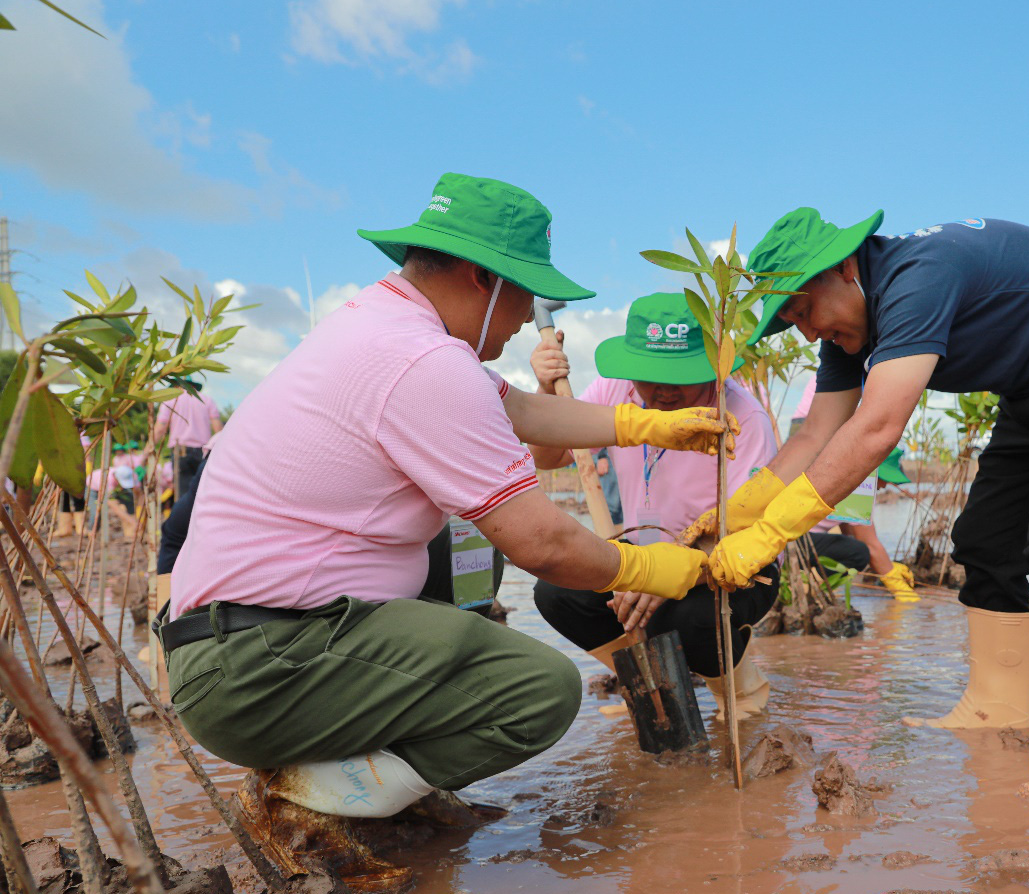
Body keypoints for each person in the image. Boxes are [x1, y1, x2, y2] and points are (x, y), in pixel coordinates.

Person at [161, 175, 729, 891]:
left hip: (238, 647)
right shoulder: (423, 361)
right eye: (524, 292)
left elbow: (519, 411)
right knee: (538, 690)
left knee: (446, 571)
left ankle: (374, 783)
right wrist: (651, 569)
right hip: (257, 666)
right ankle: (311, 803)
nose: (527, 316)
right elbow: (543, 545)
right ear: (481, 277)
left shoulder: (383, 327)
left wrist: (648, 427)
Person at [691, 209, 1029, 800]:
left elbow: (876, 429)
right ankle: (999, 709)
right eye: (791, 323)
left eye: (804, 311)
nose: (808, 333)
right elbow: (814, 436)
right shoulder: (851, 331)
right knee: (987, 542)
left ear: (845, 266)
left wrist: (771, 537)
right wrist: (740, 512)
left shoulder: (918, 278)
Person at [528, 292, 780, 721]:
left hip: (725, 562)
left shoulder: (744, 416)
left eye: (678, 376)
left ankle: (742, 695)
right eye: (650, 375)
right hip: (638, 552)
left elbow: (750, 537)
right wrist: (544, 391)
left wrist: (666, 575)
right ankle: (654, 684)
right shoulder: (614, 390)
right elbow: (548, 457)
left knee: (696, 619)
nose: (662, 390)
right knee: (559, 592)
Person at [804, 448, 919, 602]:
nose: (885, 486)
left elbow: (848, 530)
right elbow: (870, 545)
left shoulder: (844, 472)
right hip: (798, 542)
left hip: (797, 538)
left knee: (851, 547)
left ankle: (812, 585)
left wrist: (887, 564)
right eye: (885, 478)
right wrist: (899, 588)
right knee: (859, 553)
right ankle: (811, 588)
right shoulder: (861, 486)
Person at [155, 380, 223, 502]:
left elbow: (160, 428)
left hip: (181, 450)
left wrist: (148, 450)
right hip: (203, 451)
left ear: (177, 386)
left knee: (183, 493)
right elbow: (218, 428)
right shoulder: (207, 400)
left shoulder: (170, 400)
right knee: (202, 491)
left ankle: (185, 520)